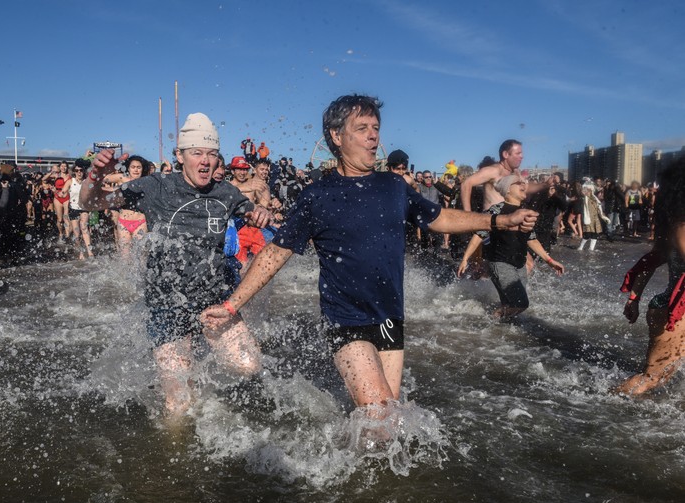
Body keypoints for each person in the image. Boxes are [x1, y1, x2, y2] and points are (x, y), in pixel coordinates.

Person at [201, 94, 538, 412]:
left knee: (387, 418)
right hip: (345, 319)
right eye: (361, 129)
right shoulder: (317, 195)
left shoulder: (394, 186)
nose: (372, 137)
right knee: (378, 412)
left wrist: (501, 220)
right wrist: (232, 305)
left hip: (390, 314)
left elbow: (440, 218)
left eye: (375, 129)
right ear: (336, 136)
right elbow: (276, 253)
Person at [79, 113, 272, 417]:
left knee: (249, 366)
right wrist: (94, 178)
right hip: (167, 304)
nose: (205, 161)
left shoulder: (226, 192)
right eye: (197, 153)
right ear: (181, 156)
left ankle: (203, 372)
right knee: (179, 403)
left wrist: (260, 212)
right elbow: (91, 204)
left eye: (211, 154)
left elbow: (252, 211)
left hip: (213, 302)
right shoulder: (156, 186)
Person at [616, 158, 685, 395]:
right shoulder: (680, 227)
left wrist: (634, 299)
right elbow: (649, 263)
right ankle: (596, 408)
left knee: (661, 377)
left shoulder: (674, 225)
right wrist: (633, 300)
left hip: (672, 309)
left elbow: (648, 263)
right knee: (651, 378)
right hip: (674, 311)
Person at [457, 174, 564, 318]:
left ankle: (494, 331)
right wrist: (465, 258)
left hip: (520, 266)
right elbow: (478, 235)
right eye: (518, 183)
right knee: (520, 304)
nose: (523, 185)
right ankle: (491, 319)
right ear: (507, 190)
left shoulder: (524, 211)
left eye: (523, 182)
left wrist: (550, 261)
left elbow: (531, 239)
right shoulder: (496, 210)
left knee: (510, 305)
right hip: (500, 264)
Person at [102, 155, 151, 257]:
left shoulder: (146, 181)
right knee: (125, 257)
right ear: (128, 168)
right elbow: (104, 179)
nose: (136, 170)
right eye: (133, 167)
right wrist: (110, 168)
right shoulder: (122, 178)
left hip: (140, 222)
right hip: (124, 222)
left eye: (139, 167)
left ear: (143, 169)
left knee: (140, 256)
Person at [68, 160, 95, 259]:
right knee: (77, 233)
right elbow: (62, 192)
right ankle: (80, 252)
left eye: (81, 170)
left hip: (84, 208)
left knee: (84, 228)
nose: (79, 172)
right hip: (73, 208)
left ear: (84, 171)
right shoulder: (70, 181)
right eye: (76, 170)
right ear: (74, 171)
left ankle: (90, 251)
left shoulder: (86, 181)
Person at [576, 179, 609, 251]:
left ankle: (591, 249)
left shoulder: (594, 197)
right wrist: (585, 184)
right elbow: (581, 192)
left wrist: (603, 216)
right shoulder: (585, 197)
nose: (589, 190)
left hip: (595, 218)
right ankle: (581, 247)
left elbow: (599, 207)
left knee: (595, 234)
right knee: (587, 234)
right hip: (588, 218)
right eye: (588, 189)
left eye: (590, 189)